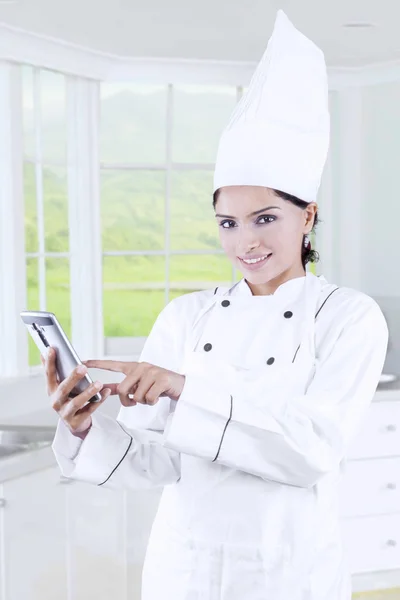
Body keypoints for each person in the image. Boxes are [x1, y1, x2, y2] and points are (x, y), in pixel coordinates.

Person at [45, 10, 389, 600]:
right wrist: (82, 430)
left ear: (307, 216)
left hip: (285, 569)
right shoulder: (187, 315)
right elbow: (154, 461)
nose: (245, 242)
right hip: (184, 569)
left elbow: (308, 451)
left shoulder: (348, 316)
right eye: (228, 223)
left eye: (265, 219)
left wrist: (184, 388)